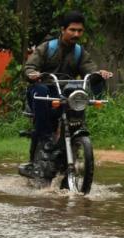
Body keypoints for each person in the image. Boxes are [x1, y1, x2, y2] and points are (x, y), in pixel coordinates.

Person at [20, 11, 112, 174]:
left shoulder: (79, 52)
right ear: (62, 29)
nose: (76, 34)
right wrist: (32, 74)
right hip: (42, 91)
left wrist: (98, 74)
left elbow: (89, 71)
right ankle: (45, 141)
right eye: (72, 30)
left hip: (65, 93)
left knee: (77, 90)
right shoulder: (47, 48)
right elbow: (29, 67)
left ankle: (76, 136)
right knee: (41, 90)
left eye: (80, 31)